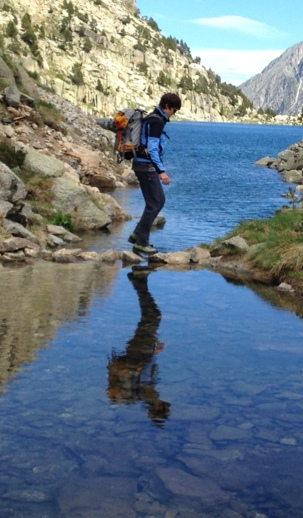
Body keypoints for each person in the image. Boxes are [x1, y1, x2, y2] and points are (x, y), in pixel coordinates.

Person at [107, 267, 170, 425]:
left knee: (153, 316)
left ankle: (139, 282)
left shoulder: (149, 396)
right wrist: (154, 352)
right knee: (151, 316)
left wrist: (153, 351)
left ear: (160, 406)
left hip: (140, 351)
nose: (164, 401)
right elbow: (145, 373)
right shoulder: (144, 397)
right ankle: (140, 282)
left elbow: (143, 373)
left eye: (164, 405)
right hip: (140, 351)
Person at [128, 92, 181, 256]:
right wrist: (162, 172)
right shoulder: (157, 121)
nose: (174, 113)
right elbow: (152, 148)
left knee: (152, 203)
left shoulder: (152, 118)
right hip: (146, 167)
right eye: (174, 110)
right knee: (157, 202)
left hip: (140, 165)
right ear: (166, 107)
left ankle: (137, 235)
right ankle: (141, 243)